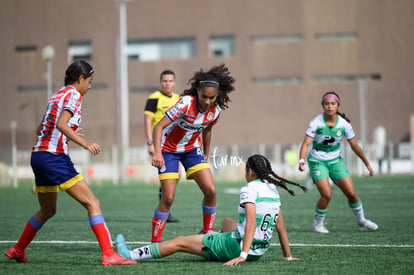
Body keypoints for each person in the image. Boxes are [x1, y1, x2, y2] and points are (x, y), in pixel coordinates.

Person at [4, 60, 137, 266]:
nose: (90, 86)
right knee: (92, 203)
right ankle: (109, 254)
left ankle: (17, 249)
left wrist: (68, 133)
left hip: (38, 156)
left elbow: (42, 128)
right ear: (80, 78)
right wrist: (84, 143)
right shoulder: (74, 95)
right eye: (90, 81)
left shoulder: (57, 94)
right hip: (53, 157)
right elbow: (61, 124)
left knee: (48, 210)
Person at [115, 154, 306, 265]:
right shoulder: (273, 190)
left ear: (249, 171)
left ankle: (129, 255)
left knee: (180, 242)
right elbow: (280, 227)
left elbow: (252, 223)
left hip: (238, 247)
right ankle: (209, 238)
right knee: (226, 223)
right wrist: (287, 256)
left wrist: (242, 255)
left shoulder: (249, 189)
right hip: (259, 250)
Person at [150, 64, 235, 243]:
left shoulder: (216, 111)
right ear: (197, 92)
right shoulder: (185, 104)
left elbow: (207, 131)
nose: (207, 101)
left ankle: (207, 233)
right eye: (204, 97)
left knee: (211, 191)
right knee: (168, 198)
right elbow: (159, 127)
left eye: (212, 98)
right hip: (168, 151)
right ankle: (155, 243)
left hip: (190, 150)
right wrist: (157, 153)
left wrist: (205, 154)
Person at [298, 91, 378, 234]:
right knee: (327, 194)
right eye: (327, 103)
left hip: (335, 162)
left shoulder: (344, 125)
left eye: (333, 103)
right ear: (322, 105)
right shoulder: (316, 122)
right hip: (317, 162)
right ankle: (317, 225)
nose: (330, 106)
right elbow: (305, 144)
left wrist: (367, 163)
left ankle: (361, 219)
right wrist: (301, 160)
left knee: (352, 194)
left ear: (338, 105)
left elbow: (354, 145)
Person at [144, 70, 181, 223]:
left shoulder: (179, 98)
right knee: (169, 177)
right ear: (161, 82)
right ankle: (164, 210)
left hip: (175, 144)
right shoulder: (154, 98)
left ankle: (164, 207)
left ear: (174, 83)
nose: (167, 83)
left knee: (176, 176)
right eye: (165, 81)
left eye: (170, 81)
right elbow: (148, 121)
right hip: (160, 144)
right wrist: (150, 142)